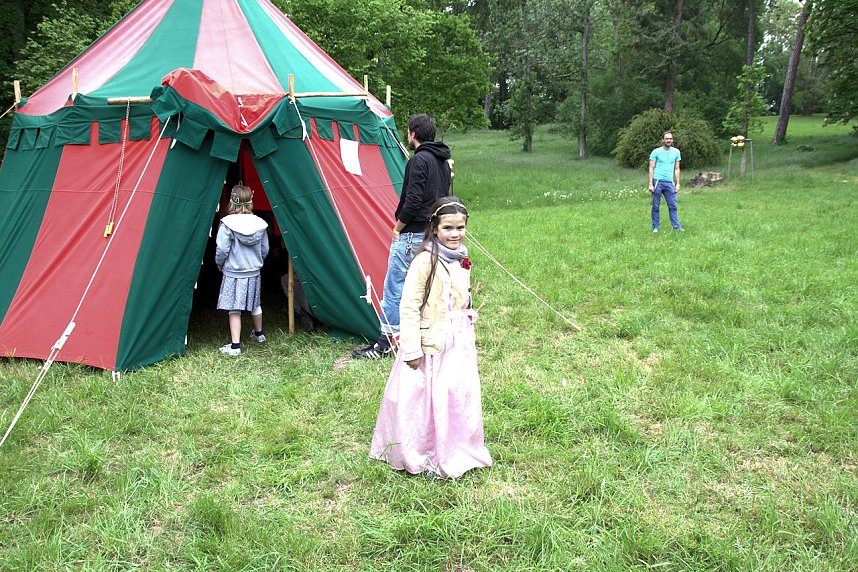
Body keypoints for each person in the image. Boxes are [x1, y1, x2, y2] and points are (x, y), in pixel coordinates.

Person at [370, 197, 492, 479]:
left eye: (460, 227)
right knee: (425, 399)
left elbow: (459, 293)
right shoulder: (425, 259)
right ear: (434, 228)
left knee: (455, 394)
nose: (455, 233)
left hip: (457, 339)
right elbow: (409, 305)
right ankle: (424, 454)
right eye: (448, 227)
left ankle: (456, 447)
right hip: (430, 341)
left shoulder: (461, 255)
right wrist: (411, 348)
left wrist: (466, 312)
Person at [353, 113, 452, 359]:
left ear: (413, 134)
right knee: (425, 288)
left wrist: (398, 227)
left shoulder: (419, 160)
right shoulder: (442, 162)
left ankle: (386, 344)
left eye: (407, 132)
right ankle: (417, 339)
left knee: (396, 288)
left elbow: (413, 200)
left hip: (413, 234)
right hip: (432, 234)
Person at [215, 184, 270, 356]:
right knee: (255, 303)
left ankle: (235, 346)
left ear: (232, 201)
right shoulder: (260, 224)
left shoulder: (227, 224)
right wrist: (257, 261)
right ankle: (259, 334)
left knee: (234, 308)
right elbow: (265, 248)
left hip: (234, 272)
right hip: (253, 271)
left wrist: (220, 264)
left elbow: (222, 249)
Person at [648, 131, 684, 232]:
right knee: (655, 206)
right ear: (663, 140)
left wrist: (677, 183)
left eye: (670, 139)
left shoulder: (676, 152)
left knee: (673, 206)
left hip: (669, 183)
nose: (668, 140)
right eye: (667, 139)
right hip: (657, 182)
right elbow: (651, 168)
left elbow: (677, 169)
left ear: (672, 140)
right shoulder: (656, 152)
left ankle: (677, 227)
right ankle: (655, 227)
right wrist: (650, 184)